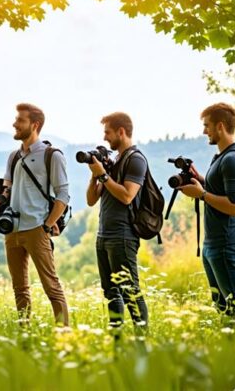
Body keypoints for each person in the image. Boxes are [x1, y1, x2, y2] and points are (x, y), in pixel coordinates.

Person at [178, 103, 235, 330]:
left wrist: (201, 194)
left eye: (207, 126)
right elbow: (220, 191)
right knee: (224, 307)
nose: (204, 132)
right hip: (215, 245)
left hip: (228, 244)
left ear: (220, 126)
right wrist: (200, 180)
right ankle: (233, 358)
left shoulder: (233, 159)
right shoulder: (221, 158)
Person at [0, 103, 70, 326]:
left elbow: (63, 196)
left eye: (20, 120)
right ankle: (25, 335)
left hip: (37, 229)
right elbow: (7, 189)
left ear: (35, 125)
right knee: (20, 289)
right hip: (12, 230)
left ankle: (64, 336)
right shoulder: (13, 156)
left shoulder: (52, 155)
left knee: (52, 287)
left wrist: (47, 225)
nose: (14, 124)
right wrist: (0, 202)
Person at [86, 112, 149, 334]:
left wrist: (103, 175)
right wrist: (95, 175)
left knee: (130, 291)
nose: (105, 138)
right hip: (103, 235)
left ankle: (142, 343)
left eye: (108, 133)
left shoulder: (136, 159)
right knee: (111, 293)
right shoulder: (113, 163)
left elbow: (127, 196)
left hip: (123, 236)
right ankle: (118, 342)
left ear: (121, 131)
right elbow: (91, 200)